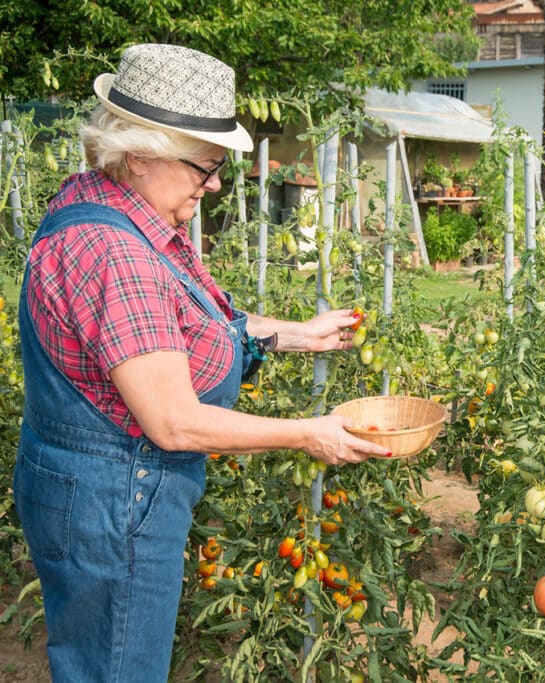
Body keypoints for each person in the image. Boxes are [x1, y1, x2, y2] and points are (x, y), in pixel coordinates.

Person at [12, 44, 390, 682]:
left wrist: (292, 334)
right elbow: (174, 424)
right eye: (203, 165)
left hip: (83, 489)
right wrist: (309, 433)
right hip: (118, 504)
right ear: (139, 154)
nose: (213, 182)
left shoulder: (107, 209)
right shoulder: (118, 254)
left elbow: (178, 326)